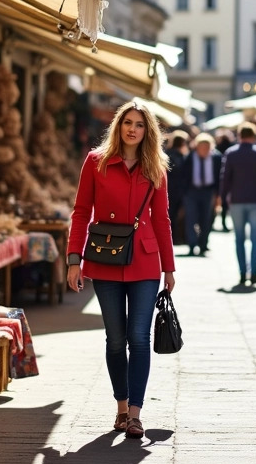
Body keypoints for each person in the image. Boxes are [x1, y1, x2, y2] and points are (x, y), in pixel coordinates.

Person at [66, 101, 176, 439]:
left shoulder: (155, 167)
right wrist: (74, 259)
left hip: (144, 262)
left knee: (138, 338)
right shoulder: (96, 162)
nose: (132, 129)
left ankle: (135, 414)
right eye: (127, 122)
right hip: (104, 259)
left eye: (139, 125)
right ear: (118, 126)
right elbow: (81, 211)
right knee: (116, 340)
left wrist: (168, 268)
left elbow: (162, 219)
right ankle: (120, 406)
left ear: (148, 131)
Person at [219, 122, 256, 286]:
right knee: (255, 239)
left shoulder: (231, 154)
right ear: (254, 136)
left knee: (239, 238)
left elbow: (225, 179)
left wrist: (221, 199)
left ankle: (242, 272)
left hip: (237, 201)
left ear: (239, 136)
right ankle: (254, 272)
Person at [182, 132, 222, 257]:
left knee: (206, 219)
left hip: (208, 192)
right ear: (197, 147)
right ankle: (192, 245)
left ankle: (203, 244)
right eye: (201, 147)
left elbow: (220, 177)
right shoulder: (190, 157)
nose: (204, 150)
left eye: (206, 147)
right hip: (191, 191)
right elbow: (183, 176)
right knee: (191, 219)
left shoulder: (216, 158)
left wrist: (218, 195)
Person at [165, 131, 190, 246]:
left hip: (168, 189)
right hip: (176, 190)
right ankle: (174, 237)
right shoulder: (180, 156)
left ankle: (171, 237)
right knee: (173, 215)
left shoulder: (166, 154)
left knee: (169, 215)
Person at [213, 133, 233, 230]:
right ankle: (223, 222)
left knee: (217, 203)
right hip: (227, 180)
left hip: (218, 179)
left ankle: (217, 220)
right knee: (224, 204)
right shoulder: (230, 148)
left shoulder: (217, 149)